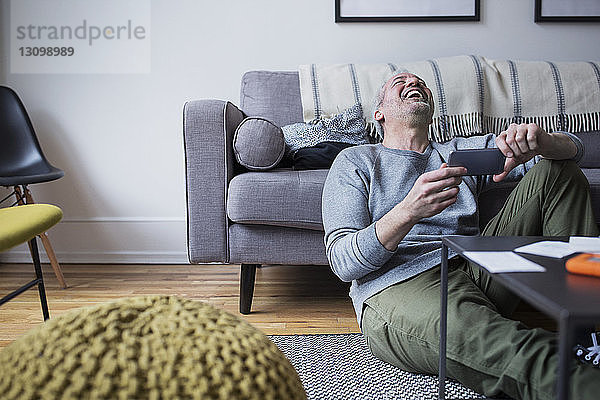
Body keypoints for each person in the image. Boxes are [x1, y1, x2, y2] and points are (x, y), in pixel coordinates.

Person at [322, 72, 600, 400]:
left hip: (476, 265)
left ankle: (588, 333)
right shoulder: (356, 161)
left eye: (421, 82)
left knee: (558, 171)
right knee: (515, 349)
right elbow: (342, 262)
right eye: (400, 81)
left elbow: (574, 153)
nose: (414, 82)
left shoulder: (461, 152)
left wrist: (547, 142)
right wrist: (408, 211)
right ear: (379, 112)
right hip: (399, 284)